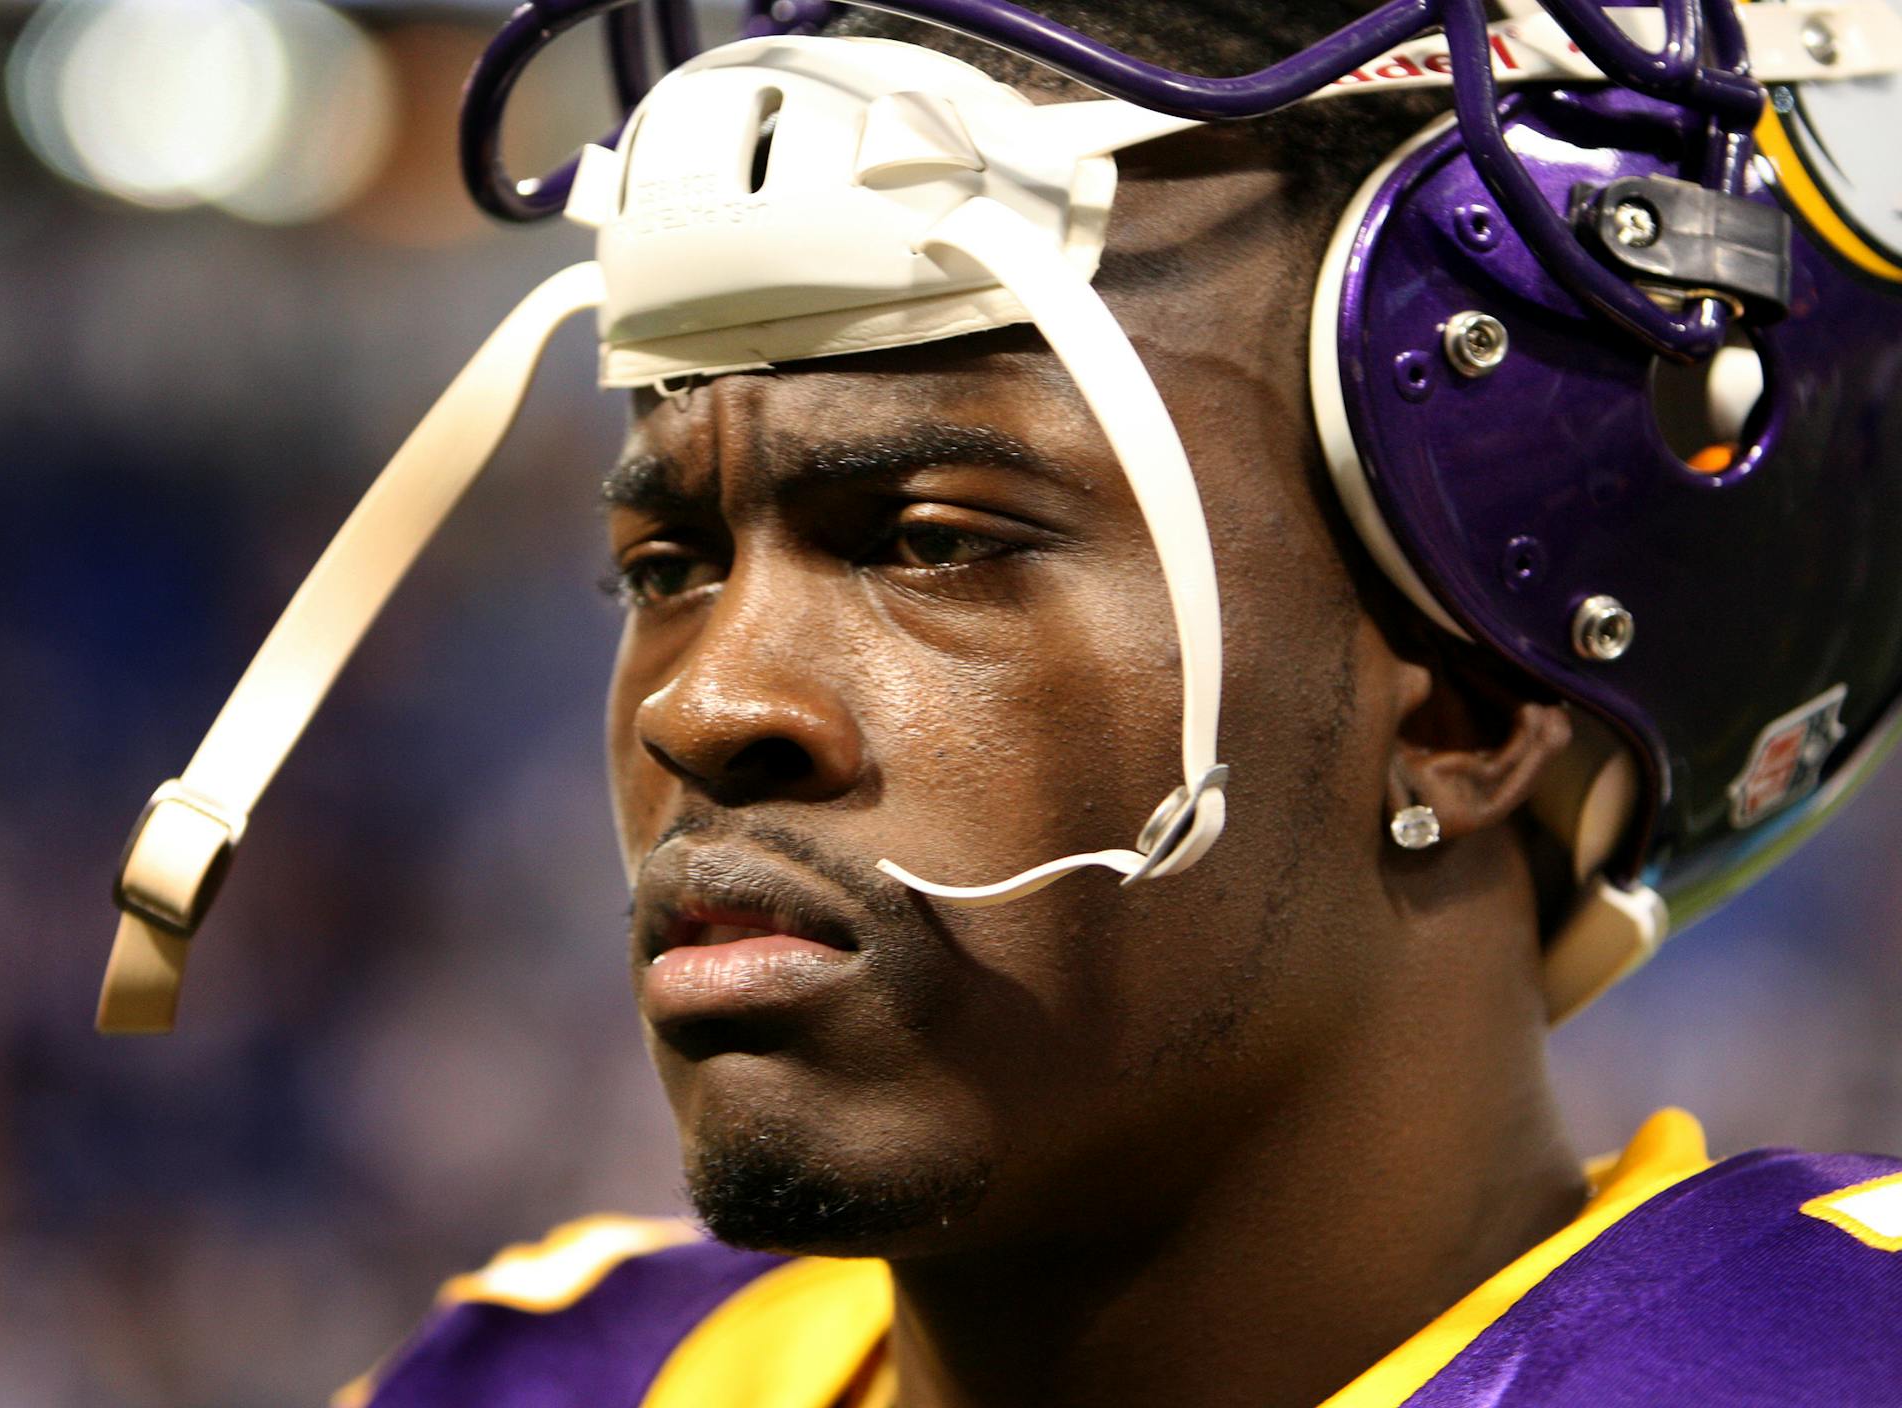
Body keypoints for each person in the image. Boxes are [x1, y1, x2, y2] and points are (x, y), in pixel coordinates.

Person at [94, 1, 1902, 1404]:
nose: (706, 704)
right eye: (666, 567)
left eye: (933, 539)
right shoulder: (543, 1376)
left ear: (1471, 702)